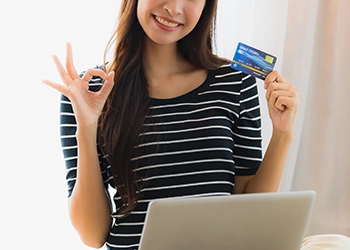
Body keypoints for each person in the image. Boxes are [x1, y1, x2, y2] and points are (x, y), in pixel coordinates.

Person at [43, 0, 350, 249]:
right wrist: (86, 125)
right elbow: (93, 235)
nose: (174, 8)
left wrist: (282, 134)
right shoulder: (88, 90)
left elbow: (248, 205)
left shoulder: (235, 83)